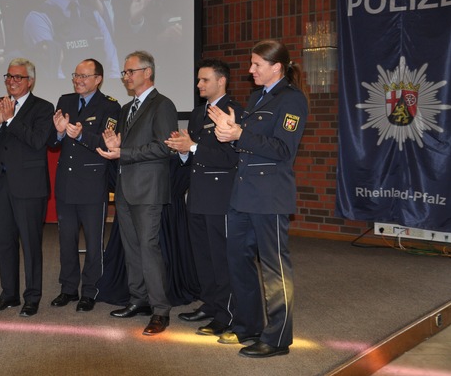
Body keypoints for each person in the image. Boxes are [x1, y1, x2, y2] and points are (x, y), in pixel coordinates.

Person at [209, 39, 309, 358]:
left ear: (276, 67)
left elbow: (282, 149)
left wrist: (240, 135)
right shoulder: (256, 97)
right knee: (238, 261)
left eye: (256, 65)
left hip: (270, 195)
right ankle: (248, 326)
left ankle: (278, 338)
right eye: (251, 64)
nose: (250, 70)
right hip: (243, 194)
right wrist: (229, 133)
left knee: (274, 268)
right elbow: (250, 146)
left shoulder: (291, 100)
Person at [96, 50, 178, 336]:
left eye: (130, 72)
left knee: (148, 248)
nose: (126, 77)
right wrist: (116, 145)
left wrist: (125, 151)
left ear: (147, 72)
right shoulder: (125, 109)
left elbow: (165, 147)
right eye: (125, 73)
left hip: (148, 191)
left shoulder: (162, 105)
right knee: (132, 249)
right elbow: (126, 149)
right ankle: (138, 300)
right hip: (126, 190)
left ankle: (160, 311)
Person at [164, 59, 243, 337]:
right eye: (198, 80)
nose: (199, 85)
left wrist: (194, 146)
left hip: (220, 196)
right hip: (197, 195)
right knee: (203, 257)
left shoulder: (234, 111)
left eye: (204, 80)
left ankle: (227, 313)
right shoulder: (199, 114)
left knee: (221, 258)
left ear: (221, 81)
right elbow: (191, 159)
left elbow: (231, 157)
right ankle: (210, 304)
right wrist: (183, 149)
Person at [0, 58, 54, 317]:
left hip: (30, 187)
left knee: (31, 244)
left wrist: (10, 120)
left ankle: (32, 297)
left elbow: (37, 141)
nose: (11, 81)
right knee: (4, 243)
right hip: (1, 185)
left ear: (30, 81)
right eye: (8, 76)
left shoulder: (43, 107)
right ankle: (8, 294)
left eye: (18, 77)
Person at [50, 58, 121, 312]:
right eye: (75, 75)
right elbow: (53, 141)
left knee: (93, 242)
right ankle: (68, 288)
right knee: (66, 240)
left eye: (84, 76)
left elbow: (107, 143)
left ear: (98, 79)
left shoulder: (110, 106)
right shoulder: (65, 100)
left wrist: (79, 135)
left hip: (92, 184)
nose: (77, 80)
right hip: (66, 183)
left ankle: (90, 290)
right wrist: (58, 133)